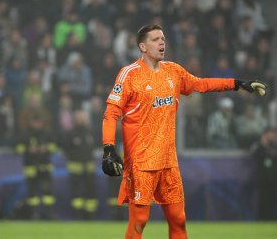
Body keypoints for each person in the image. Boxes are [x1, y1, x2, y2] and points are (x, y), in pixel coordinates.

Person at [101, 24, 267, 239]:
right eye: (155, 39)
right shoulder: (129, 74)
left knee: (178, 221)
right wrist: (108, 148)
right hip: (142, 162)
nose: (162, 42)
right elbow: (110, 113)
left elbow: (201, 84)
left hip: (169, 162)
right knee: (139, 221)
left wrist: (237, 84)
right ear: (142, 46)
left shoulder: (173, 71)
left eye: (163, 38)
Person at [250, 127, 277, 220]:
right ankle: (262, 220)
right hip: (263, 179)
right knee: (263, 201)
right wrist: (263, 145)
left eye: (274, 133)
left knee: (273, 202)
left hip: (274, 179)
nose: (273, 135)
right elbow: (253, 155)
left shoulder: (275, 146)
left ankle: (272, 219)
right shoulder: (258, 145)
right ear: (265, 134)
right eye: (271, 133)